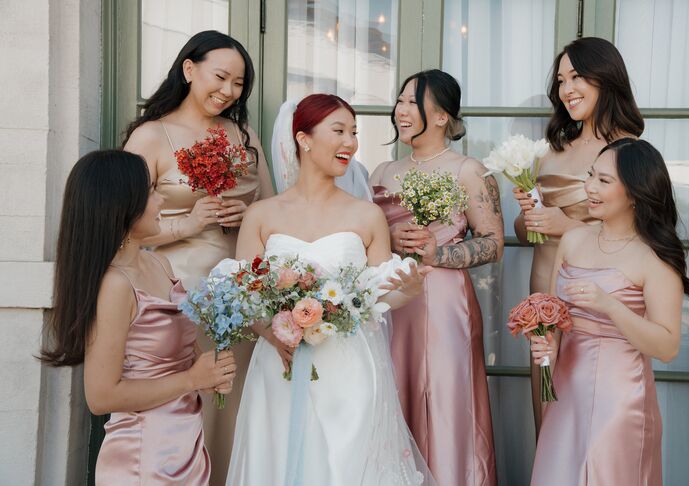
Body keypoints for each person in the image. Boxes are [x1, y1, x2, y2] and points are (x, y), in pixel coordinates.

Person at [226, 94, 436, 485]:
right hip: (279, 365)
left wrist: (406, 290)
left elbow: (379, 297)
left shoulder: (367, 216)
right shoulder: (261, 215)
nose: (350, 143)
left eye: (354, 133)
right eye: (338, 131)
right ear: (303, 139)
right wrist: (271, 332)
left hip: (347, 368)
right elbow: (243, 297)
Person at [123, 30, 273, 482]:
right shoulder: (150, 136)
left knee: (235, 403)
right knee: (187, 407)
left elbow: (273, 208)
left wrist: (245, 213)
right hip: (174, 295)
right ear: (189, 69)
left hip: (238, 297)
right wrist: (187, 223)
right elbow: (118, 226)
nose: (228, 92)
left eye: (238, 84)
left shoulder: (242, 135)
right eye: (220, 77)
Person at [39, 150, 236, 484]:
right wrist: (192, 380)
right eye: (150, 191)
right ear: (123, 206)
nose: (160, 200)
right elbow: (101, 397)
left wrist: (212, 369)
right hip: (144, 458)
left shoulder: (158, 263)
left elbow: (178, 351)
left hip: (184, 444)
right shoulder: (115, 286)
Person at [529, 138, 689, 485]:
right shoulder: (574, 240)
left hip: (620, 400)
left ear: (635, 193)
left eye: (604, 181)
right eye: (591, 176)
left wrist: (610, 305)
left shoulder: (655, 257)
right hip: (564, 391)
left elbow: (667, 347)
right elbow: (555, 316)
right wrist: (548, 345)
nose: (589, 187)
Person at [370, 69, 502, 485]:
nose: (401, 110)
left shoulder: (468, 170)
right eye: (400, 100)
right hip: (392, 302)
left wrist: (438, 252)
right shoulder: (382, 171)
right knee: (392, 397)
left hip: (446, 304)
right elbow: (366, 241)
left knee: (446, 403)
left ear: (442, 116)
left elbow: (493, 243)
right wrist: (388, 237)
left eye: (412, 102)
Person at [512, 37, 644, 434]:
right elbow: (525, 233)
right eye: (561, 80)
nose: (566, 89)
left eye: (577, 77)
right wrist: (529, 219)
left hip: (597, 302)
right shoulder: (550, 151)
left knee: (593, 421)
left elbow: (639, 240)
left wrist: (565, 226)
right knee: (550, 416)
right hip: (544, 296)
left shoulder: (631, 152)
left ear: (606, 78)